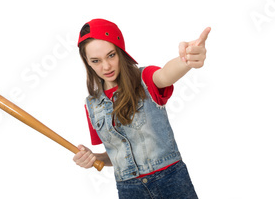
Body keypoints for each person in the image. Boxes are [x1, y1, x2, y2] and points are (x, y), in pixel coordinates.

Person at [71, 18, 209, 198]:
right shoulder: (92, 105)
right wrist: (94, 158)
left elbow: (166, 74)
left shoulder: (146, 79)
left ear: (121, 51)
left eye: (111, 55)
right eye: (96, 60)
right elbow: (116, 153)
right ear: (87, 62)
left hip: (170, 181)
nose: (106, 66)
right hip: (129, 190)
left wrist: (186, 60)